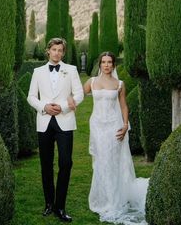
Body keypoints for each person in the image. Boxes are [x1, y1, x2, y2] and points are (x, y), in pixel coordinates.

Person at [83, 51, 149, 225]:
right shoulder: (91, 82)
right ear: (100, 64)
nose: (106, 65)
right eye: (103, 62)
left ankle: (113, 200)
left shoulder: (119, 84)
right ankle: (102, 197)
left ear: (113, 65)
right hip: (97, 126)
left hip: (114, 126)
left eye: (109, 62)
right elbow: (78, 96)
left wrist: (125, 125)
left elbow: (124, 106)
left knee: (112, 161)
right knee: (100, 161)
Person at [27, 37, 84, 223]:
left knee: (66, 163)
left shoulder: (72, 70)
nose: (57, 53)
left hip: (65, 121)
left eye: (60, 50)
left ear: (63, 52)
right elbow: (31, 97)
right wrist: (44, 107)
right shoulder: (37, 71)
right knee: (46, 164)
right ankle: (49, 204)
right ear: (48, 51)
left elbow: (79, 94)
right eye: (54, 50)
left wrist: (63, 107)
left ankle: (60, 206)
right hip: (44, 121)